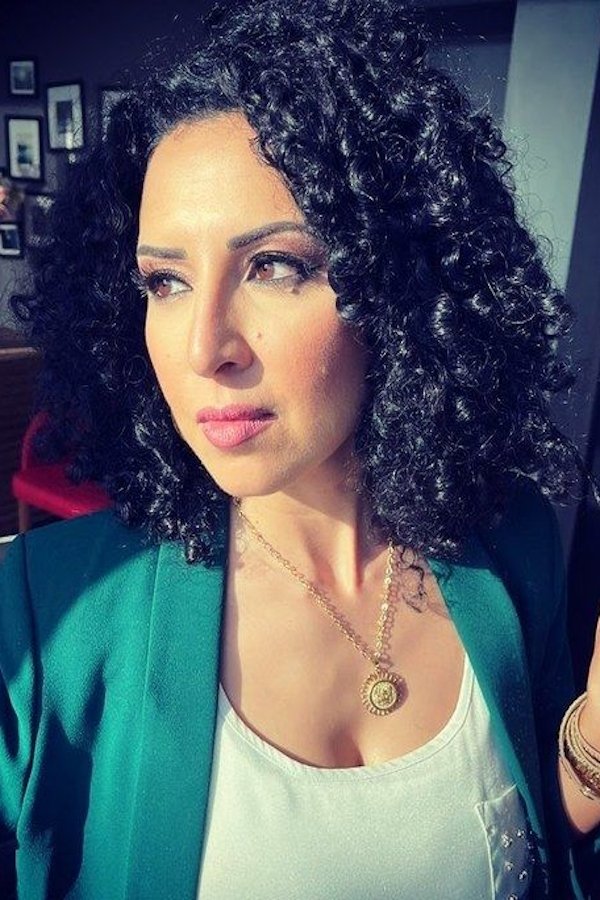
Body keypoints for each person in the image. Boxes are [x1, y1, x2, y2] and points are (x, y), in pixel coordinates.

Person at [2, 0, 600, 897]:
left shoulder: (511, 539)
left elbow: (539, 838)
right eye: (165, 280)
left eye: (275, 266)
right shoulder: (46, 616)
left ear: (399, 285)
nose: (203, 348)